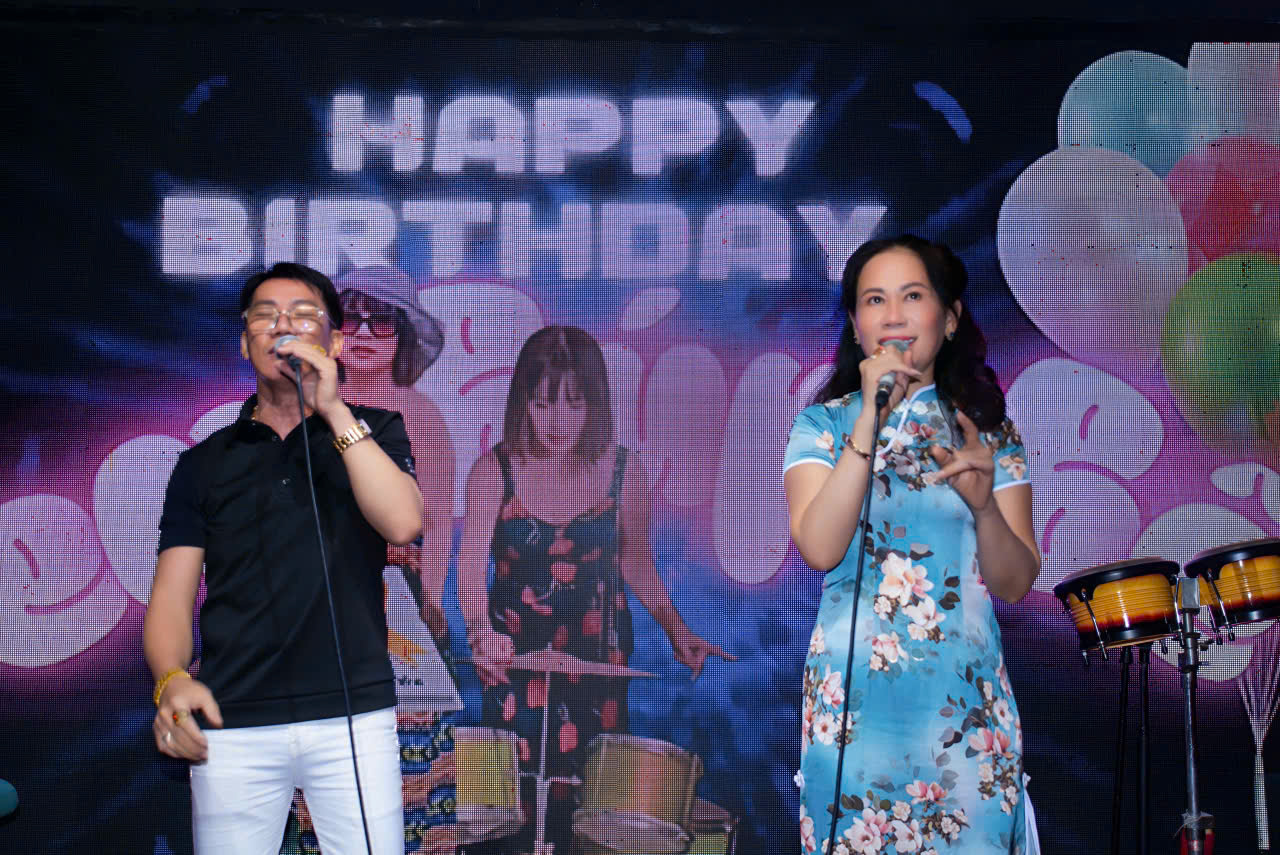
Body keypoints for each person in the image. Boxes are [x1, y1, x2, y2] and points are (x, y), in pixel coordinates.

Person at [144, 262, 423, 855]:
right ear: (245, 343)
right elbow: (170, 595)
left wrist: (334, 410)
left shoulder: (374, 431)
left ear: (335, 343)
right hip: (232, 720)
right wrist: (170, 679)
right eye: (265, 317)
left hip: (352, 717)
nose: (283, 327)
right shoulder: (203, 463)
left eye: (302, 315)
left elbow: (403, 522)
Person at [783, 236, 1040, 855]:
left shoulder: (989, 434)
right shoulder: (823, 426)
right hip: (855, 721)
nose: (893, 315)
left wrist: (985, 506)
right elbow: (819, 547)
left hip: (964, 715)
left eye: (913, 296)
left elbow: (1014, 581)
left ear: (949, 318)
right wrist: (869, 421)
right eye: (875, 300)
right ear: (856, 325)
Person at [458, 325, 732, 851]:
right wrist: (479, 632)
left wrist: (677, 631)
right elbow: (470, 567)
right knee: (516, 799)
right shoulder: (494, 469)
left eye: (572, 404)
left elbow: (636, 561)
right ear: (522, 403)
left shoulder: (624, 470)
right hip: (514, 650)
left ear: (595, 404)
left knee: (590, 802)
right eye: (541, 404)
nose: (555, 421)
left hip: (597, 650)